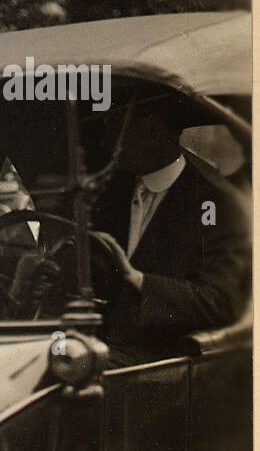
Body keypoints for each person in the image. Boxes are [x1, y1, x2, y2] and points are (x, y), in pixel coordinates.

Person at [89, 108, 250, 360]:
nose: (106, 141)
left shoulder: (215, 204)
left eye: (115, 129)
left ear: (152, 129)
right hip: (99, 351)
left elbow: (219, 301)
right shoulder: (110, 192)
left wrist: (139, 280)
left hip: (165, 361)